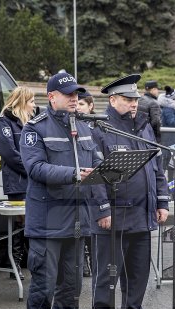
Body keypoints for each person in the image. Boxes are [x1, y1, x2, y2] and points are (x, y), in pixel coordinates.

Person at [19, 72, 109, 309]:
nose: (74, 99)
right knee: (43, 285)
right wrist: (72, 175)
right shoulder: (35, 129)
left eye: (76, 95)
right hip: (47, 222)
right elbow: (35, 168)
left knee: (72, 287)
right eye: (68, 94)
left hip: (77, 221)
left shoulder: (83, 128)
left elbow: (96, 162)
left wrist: (111, 171)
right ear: (52, 97)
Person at [90, 74, 170, 309]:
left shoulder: (144, 126)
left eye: (135, 99)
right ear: (113, 100)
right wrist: (102, 210)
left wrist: (161, 201)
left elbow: (156, 168)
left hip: (142, 213)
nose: (134, 103)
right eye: (127, 99)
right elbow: (95, 175)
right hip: (115, 216)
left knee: (137, 273)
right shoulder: (101, 128)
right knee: (107, 275)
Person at [0, 86, 37, 279]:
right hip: (18, 183)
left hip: (32, 181)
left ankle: (31, 263)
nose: (35, 105)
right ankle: (15, 264)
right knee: (20, 224)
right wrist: (35, 168)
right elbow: (10, 154)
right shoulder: (4, 123)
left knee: (31, 224)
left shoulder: (31, 123)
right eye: (32, 101)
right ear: (21, 102)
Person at [75, 90, 95, 278]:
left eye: (82, 104)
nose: (78, 107)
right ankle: (83, 264)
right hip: (80, 183)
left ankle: (92, 261)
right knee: (81, 227)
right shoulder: (74, 126)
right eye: (77, 103)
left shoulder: (97, 127)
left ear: (91, 107)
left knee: (92, 229)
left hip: (94, 186)